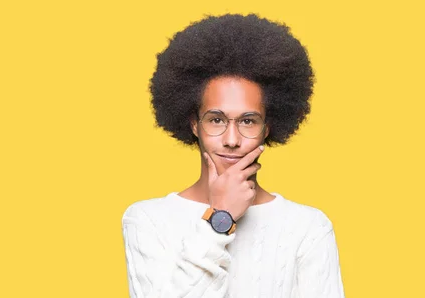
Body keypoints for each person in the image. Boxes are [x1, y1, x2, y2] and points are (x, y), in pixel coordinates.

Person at [122, 14, 345, 298]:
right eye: (216, 120)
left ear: (268, 127)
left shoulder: (309, 228)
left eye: (248, 121)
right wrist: (220, 218)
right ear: (194, 124)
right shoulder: (147, 220)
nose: (231, 140)